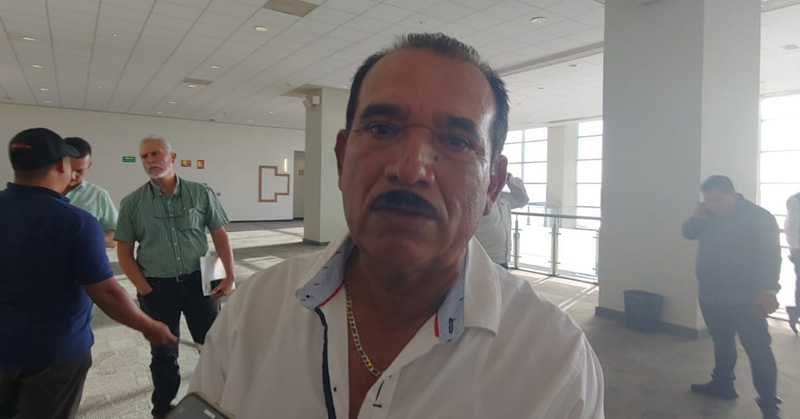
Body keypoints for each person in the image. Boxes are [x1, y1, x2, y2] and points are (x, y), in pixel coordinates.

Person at [190, 33, 604, 419]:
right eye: (382, 129)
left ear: (492, 185)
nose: (410, 169)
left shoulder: (555, 362)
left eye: (456, 141)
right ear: (341, 159)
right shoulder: (254, 312)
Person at [0, 128, 177, 419]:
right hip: (54, 354)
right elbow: (106, 292)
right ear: (62, 165)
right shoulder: (75, 222)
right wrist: (149, 326)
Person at [114, 135, 235, 419]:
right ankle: (162, 409)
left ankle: (220, 400)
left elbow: (219, 234)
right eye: (144, 156)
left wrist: (229, 275)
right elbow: (124, 253)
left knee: (211, 344)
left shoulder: (200, 193)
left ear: (172, 157)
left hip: (200, 281)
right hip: (157, 287)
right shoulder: (132, 203)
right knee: (164, 352)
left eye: (155, 154)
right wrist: (145, 289)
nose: (150, 161)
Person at [682, 175, 781, 419]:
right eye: (707, 200)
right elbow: (688, 233)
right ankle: (722, 384)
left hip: (746, 297)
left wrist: (768, 290)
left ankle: (769, 405)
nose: (712, 205)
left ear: (732, 194)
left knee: (758, 349)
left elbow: (770, 256)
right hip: (711, 293)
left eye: (716, 200)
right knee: (721, 340)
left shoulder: (759, 217)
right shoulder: (708, 214)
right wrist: (696, 218)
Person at [63, 136, 119, 248]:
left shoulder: (98, 195)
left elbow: (116, 237)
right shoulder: (42, 192)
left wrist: (90, 237)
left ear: (88, 166)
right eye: (69, 169)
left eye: (79, 171)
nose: (73, 176)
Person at [474, 172, 528, 268]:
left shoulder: (503, 198)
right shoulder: (476, 198)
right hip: (483, 261)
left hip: (503, 261)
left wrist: (508, 178)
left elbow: (523, 199)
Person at [783, 192, 800, 334]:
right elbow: (792, 227)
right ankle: (796, 311)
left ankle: (795, 311)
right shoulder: (796, 200)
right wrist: (795, 248)